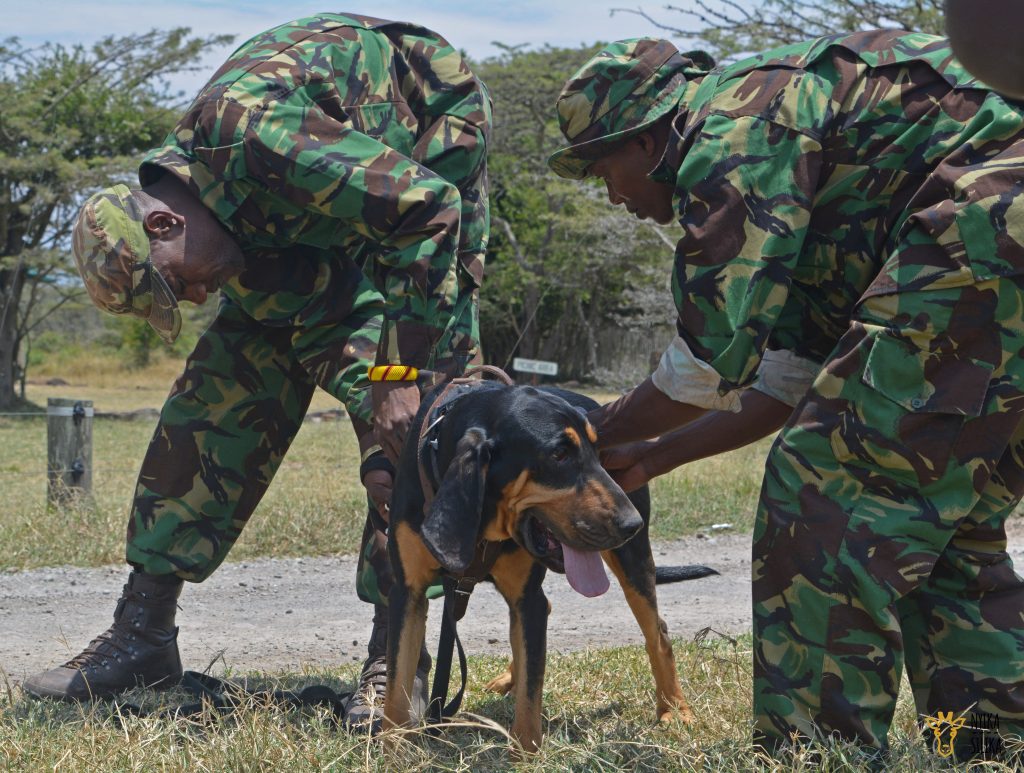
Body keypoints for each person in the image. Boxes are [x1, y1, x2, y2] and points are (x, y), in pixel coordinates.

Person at [549, 33, 1024, 759]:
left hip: (995, 217)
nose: (609, 193)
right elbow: (782, 379)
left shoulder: (732, 127)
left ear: (647, 139)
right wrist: (652, 454)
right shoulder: (808, 183)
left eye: (602, 167)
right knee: (941, 521)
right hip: (992, 236)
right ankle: (995, 748)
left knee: (823, 494)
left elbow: (709, 357)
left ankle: (814, 754)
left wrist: (592, 431)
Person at [22, 12, 490, 729]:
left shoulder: (254, 135)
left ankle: (397, 657)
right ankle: (143, 630)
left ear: (163, 225)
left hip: (427, 144)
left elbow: (430, 209)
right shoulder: (217, 207)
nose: (197, 296)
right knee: (221, 385)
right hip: (301, 219)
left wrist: (399, 378)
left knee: (419, 415)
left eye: (178, 286)